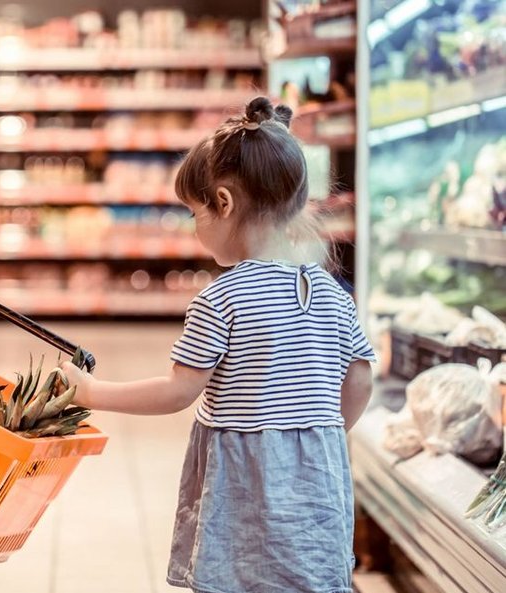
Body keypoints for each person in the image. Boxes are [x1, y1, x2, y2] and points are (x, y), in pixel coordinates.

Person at [62, 97, 374, 593]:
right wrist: (319, 434)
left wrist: (91, 393)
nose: (195, 226)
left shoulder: (223, 296)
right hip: (318, 485)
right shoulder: (330, 291)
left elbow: (178, 391)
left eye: (194, 213)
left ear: (223, 204)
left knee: (243, 580)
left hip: (248, 491)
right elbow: (360, 375)